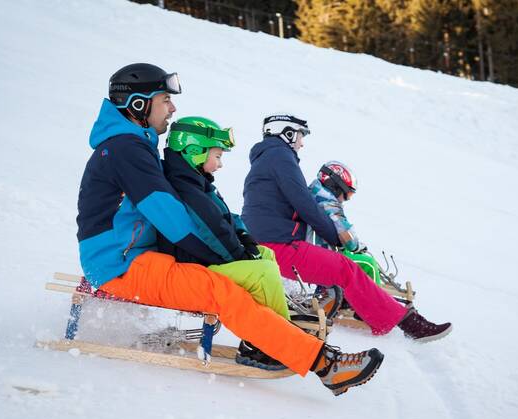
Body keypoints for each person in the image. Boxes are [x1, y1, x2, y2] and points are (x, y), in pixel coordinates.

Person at [75, 63, 383, 395]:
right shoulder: (127, 149)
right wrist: (219, 260)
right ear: (138, 104)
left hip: (135, 257)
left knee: (232, 282)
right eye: (165, 99)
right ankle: (325, 364)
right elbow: (171, 219)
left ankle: (277, 342)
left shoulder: (134, 145)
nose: (173, 108)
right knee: (223, 291)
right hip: (118, 266)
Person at [241, 113, 452, 341]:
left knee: (341, 268)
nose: (302, 143)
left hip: (268, 245)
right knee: (346, 268)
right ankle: (410, 325)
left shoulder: (268, 159)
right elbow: (306, 204)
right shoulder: (280, 157)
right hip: (277, 247)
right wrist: (334, 235)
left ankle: (380, 312)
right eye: (301, 136)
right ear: (288, 133)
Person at [158, 115, 290, 368]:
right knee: (262, 273)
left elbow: (227, 217)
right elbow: (212, 230)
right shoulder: (185, 186)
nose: (220, 164)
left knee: (266, 256)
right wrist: (240, 255)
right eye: (217, 156)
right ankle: (271, 343)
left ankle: (269, 332)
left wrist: (245, 239)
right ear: (194, 151)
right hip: (191, 264)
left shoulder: (197, 181)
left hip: (203, 257)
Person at [307, 161, 383, 285]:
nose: (347, 199)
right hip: (320, 253)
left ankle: (335, 295)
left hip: (316, 248)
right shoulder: (328, 204)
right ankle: (376, 301)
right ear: (335, 186)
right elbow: (347, 236)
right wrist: (357, 246)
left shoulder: (315, 193)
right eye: (347, 194)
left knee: (348, 255)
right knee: (369, 264)